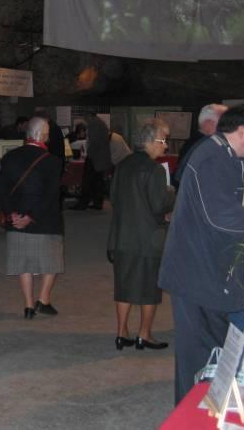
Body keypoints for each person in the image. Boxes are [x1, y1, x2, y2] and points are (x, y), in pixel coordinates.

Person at [158, 104, 244, 405]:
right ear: (241, 131)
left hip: (203, 272)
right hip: (195, 274)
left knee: (209, 353)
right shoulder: (214, 158)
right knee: (199, 357)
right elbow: (221, 217)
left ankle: (206, 412)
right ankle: (193, 418)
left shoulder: (223, 155)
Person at [107, 119, 174, 350]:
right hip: (148, 239)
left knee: (123, 286)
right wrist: (169, 194)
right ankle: (144, 334)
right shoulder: (154, 170)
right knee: (149, 290)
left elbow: (114, 198)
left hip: (122, 236)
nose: (166, 146)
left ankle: (121, 332)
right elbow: (158, 206)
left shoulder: (123, 165)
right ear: (151, 141)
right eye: (164, 140)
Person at [0, 117, 64, 319]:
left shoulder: (10, 157)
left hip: (15, 219)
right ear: (42, 136)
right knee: (52, 261)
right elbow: (50, 195)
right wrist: (31, 216)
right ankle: (43, 299)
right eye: (48, 133)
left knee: (23, 263)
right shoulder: (52, 161)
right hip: (44, 220)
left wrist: (11, 213)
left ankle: (28, 305)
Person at [173, 103, 227, 187]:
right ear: (209, 123)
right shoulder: (201, 145)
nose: (227, 127)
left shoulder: (194, 142)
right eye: (223, 122)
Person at [72, 113, 112, 210]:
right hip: (100, 158)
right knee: (97, 181)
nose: (85, 120)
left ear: (89, 116)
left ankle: (83, 203)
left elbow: (93, 142)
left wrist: (88, 154)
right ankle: (97, 203)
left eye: (85, 118)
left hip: (94, 157)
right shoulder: (100, 123)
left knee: (87, 180)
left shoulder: (94, 124)